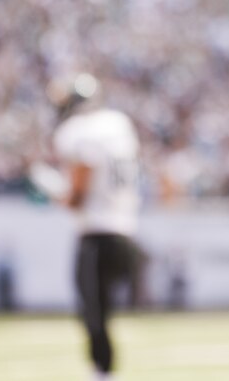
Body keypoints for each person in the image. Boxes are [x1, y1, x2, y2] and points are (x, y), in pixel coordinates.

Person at [50, 73, 144, 381]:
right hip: (126, 231)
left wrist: (53, 193)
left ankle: (102, 372)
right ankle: (104, 370)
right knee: (102, 309)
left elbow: (78, 194)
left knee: (93, 311)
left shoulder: (79, 132)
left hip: (97, 235)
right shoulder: (118, 124)